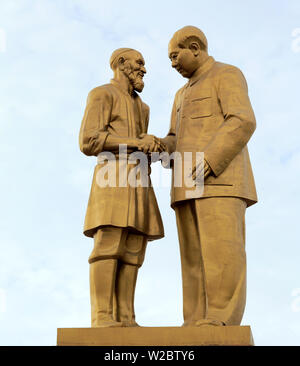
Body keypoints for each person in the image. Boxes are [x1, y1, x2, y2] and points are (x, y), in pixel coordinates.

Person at [161, 26, 258, 326]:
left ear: (194, 47)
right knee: (193, 261)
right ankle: (194, 321)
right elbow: (174, 138)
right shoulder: (180, 95)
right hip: (184, 187)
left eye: (175, 56)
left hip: (220, 181)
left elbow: (242, 120)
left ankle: (220, 319)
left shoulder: (226, 74)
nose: (173, 63)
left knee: (222, 254)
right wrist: (157, 146)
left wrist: (212, 159)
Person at [79, 48, 165, 327]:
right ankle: (102, 316)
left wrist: (152, 146)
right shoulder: (102, 94)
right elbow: (88, 141)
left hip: (139, 179)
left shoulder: (143, 108)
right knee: (108, 244)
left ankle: (127, 319)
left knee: (134, 248)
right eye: (139, 63)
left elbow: (138, 144)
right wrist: (135, 142)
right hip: (112, 177)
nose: (144, 69)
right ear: (120, 64)